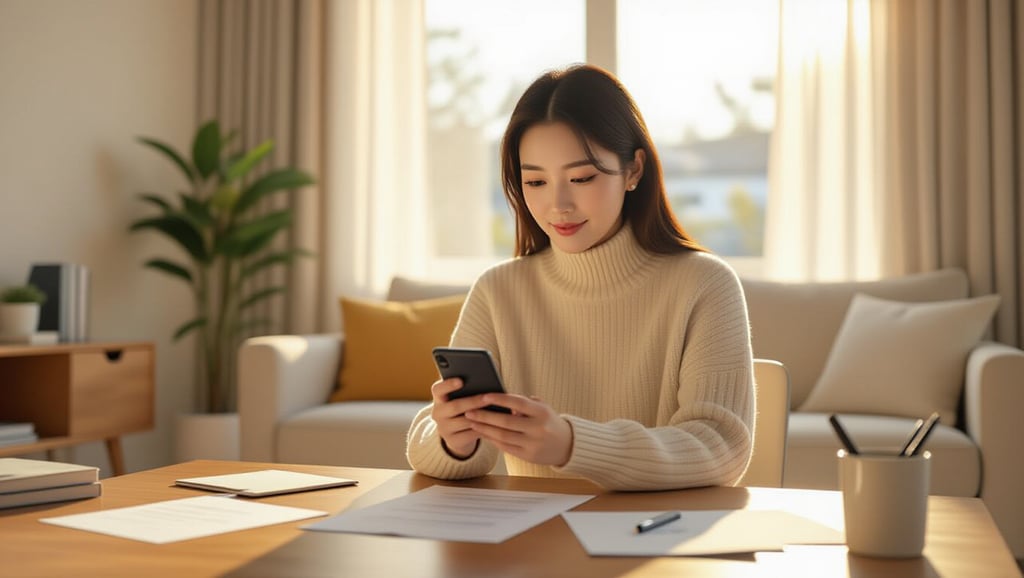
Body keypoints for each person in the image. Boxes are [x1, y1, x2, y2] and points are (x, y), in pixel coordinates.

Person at [406, 64, 754, 491]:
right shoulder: (498, 291)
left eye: (582, 177)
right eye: (534, 181)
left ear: (633, 171)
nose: (558, 205)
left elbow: (721, 448)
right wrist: (452, 440)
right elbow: (436, 449)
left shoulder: (705, 285)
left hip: (657, 540)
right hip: (531, 544)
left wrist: (573, 445)